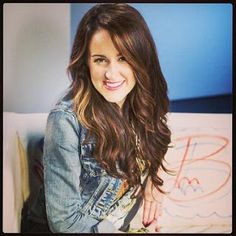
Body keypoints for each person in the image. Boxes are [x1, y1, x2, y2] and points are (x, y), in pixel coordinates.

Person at [22, 3, 171, 233]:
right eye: (100, 59)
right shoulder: (65, 120)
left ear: (141, 58)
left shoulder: (142, 102)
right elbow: (64, 222)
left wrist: (154, 180)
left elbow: (159, 138)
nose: (111, 74)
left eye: (123, 58)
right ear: (86, 62)